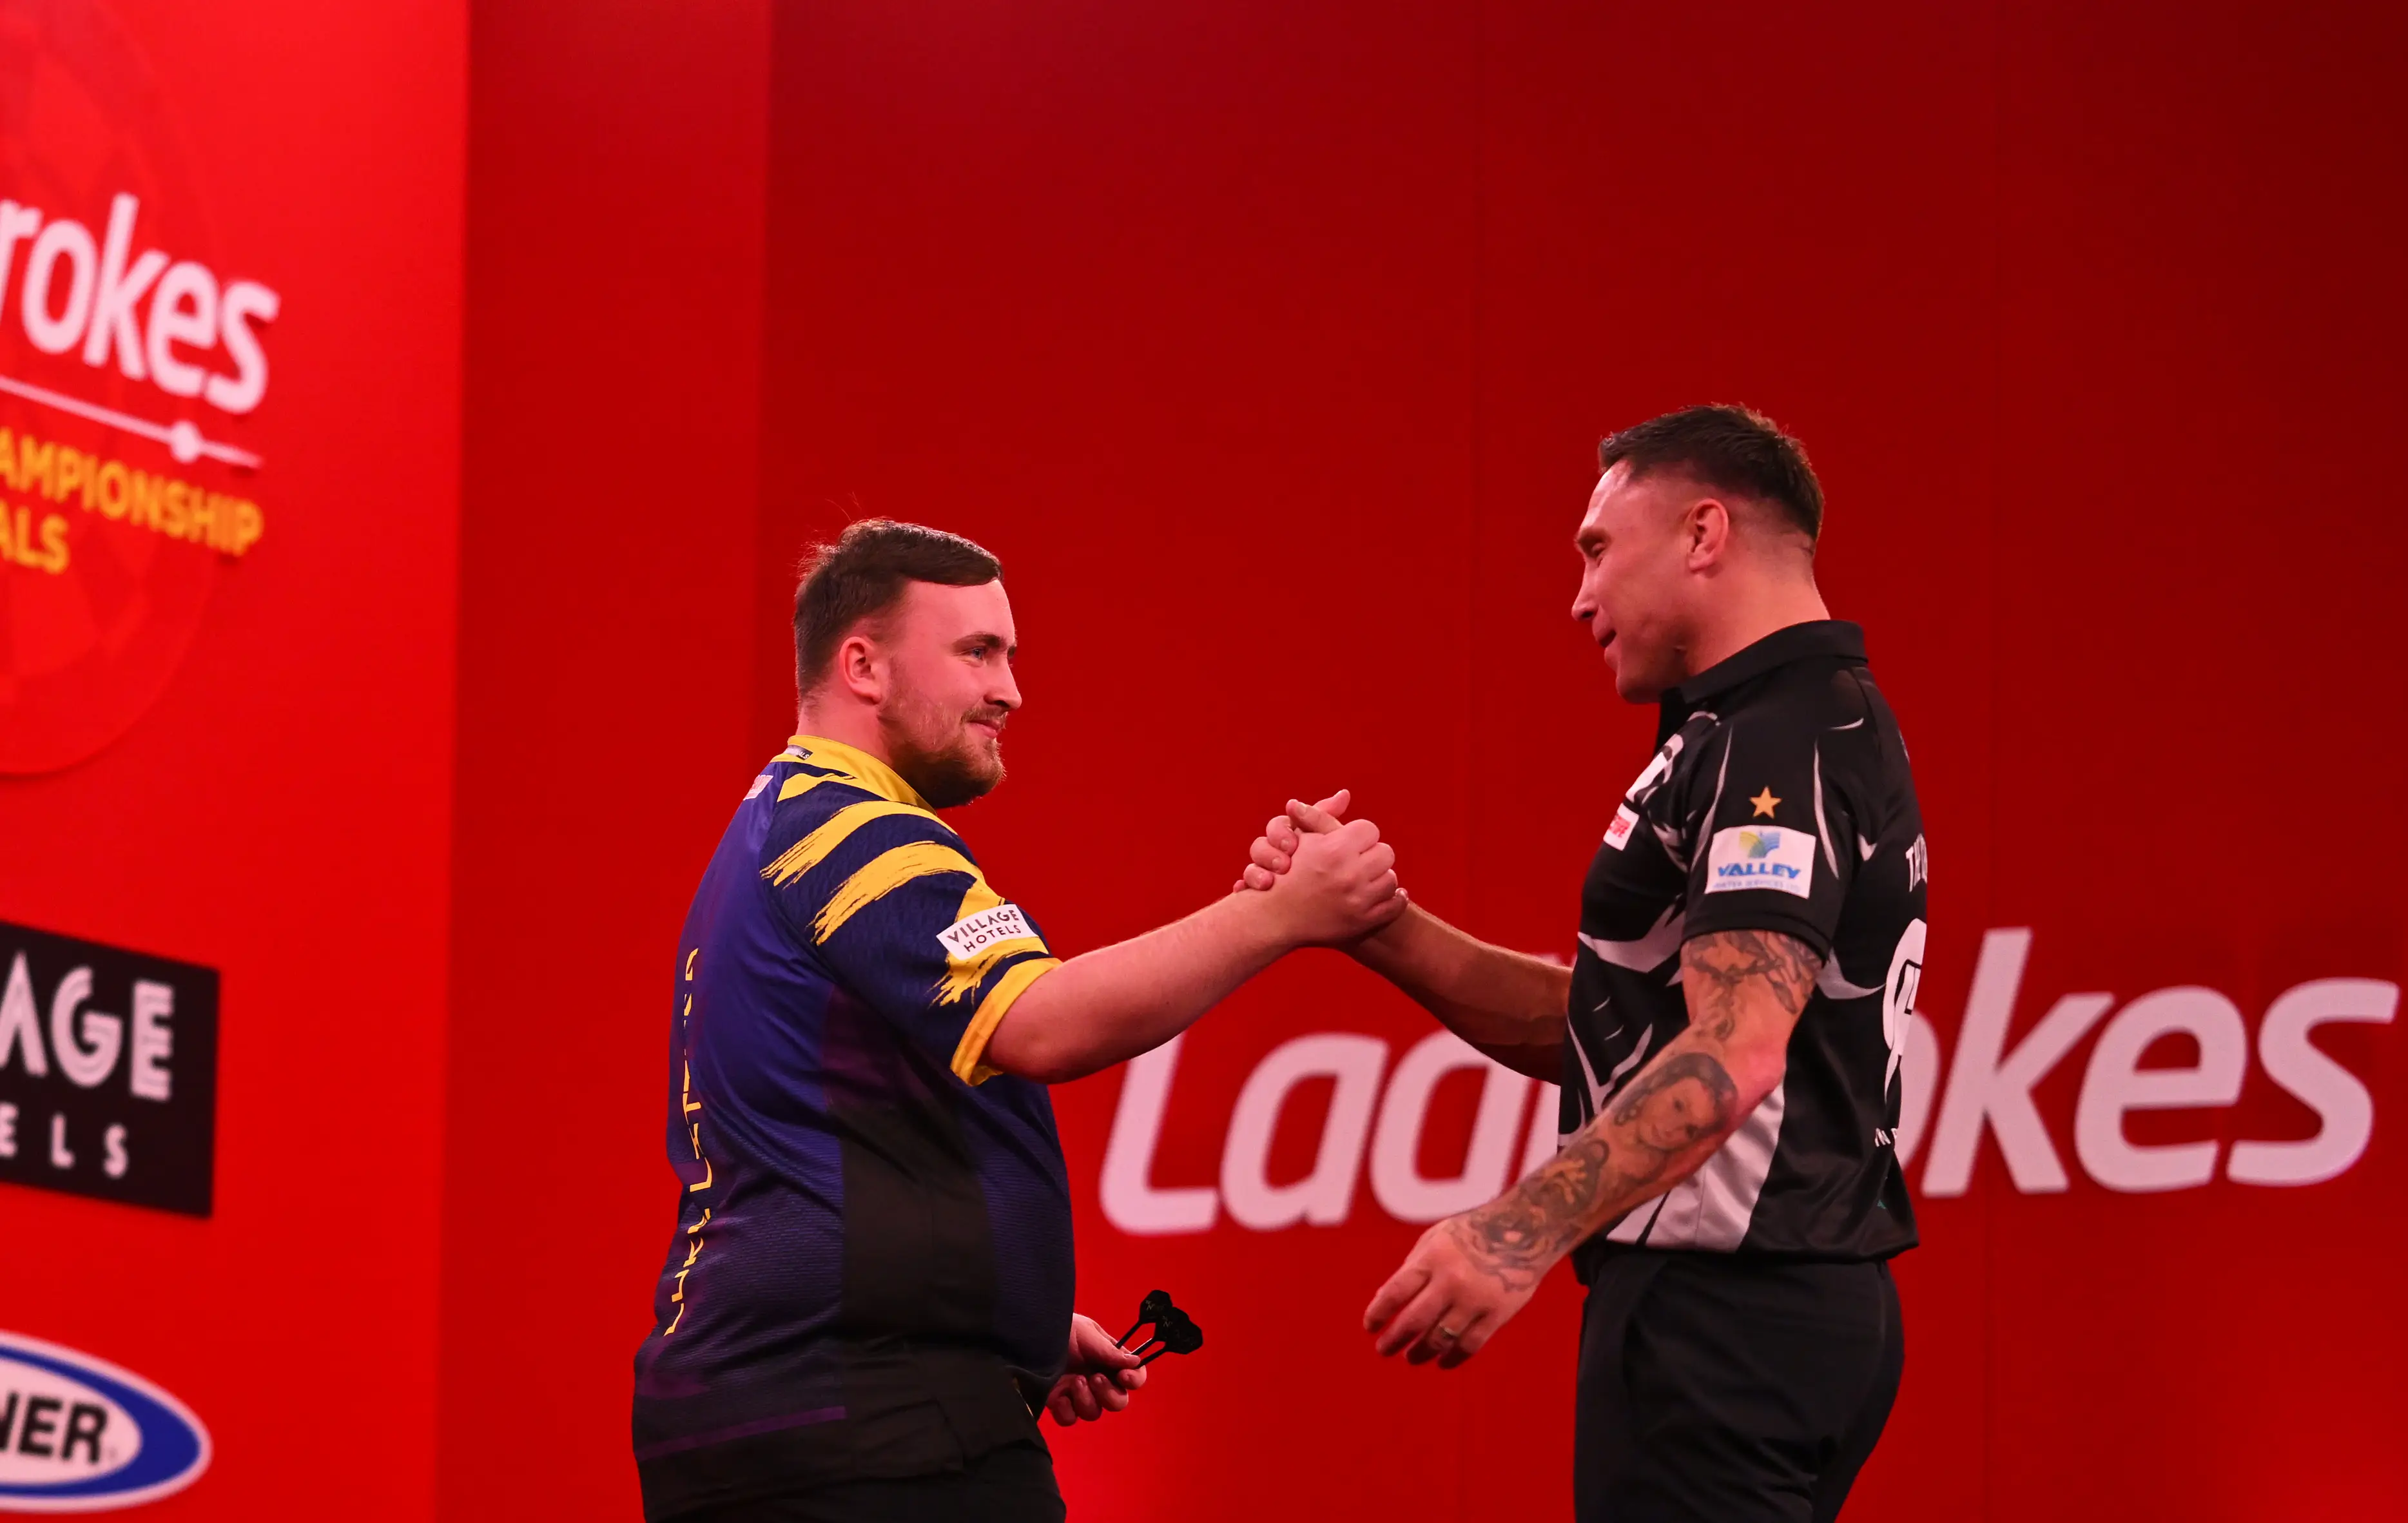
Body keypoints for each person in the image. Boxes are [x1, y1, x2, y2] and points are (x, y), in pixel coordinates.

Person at [632, 519, 1404, 1523]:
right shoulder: (854, 829)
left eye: (1010, 652)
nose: (1011, 689)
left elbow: (843, 1143)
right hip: (867, 1427)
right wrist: (1285, 912)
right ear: (862, 665)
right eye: (976, 652)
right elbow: (1042, 1023)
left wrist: (1017, 1328)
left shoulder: (781, 824)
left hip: (802, 1407)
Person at [1244, 405, 1926, 1522]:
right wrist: (1379, 923)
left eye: (1598, 548)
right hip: (1754, 1314)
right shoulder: (1754, 728)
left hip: (1726, 1319)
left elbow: (1733, 1049)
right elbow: (1625, 1030)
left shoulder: (1776, 736)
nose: (1579, 594)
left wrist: (1515, 1233)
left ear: (1704, 533)